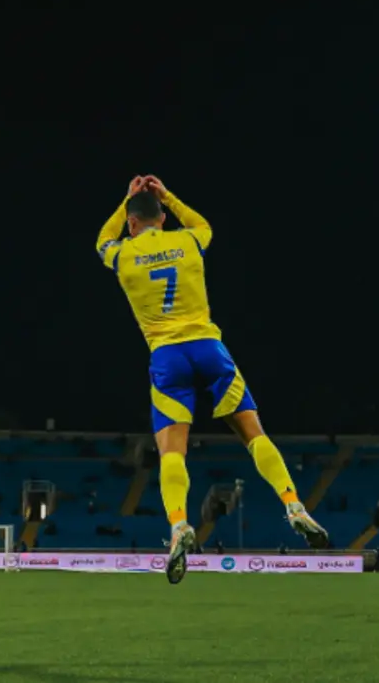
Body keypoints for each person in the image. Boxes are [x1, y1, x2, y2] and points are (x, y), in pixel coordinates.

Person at [94, 175, 327, 585]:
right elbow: (205, 226)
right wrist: (167, 195)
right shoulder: (187, 241)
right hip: (208, 347)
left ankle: (179, 525)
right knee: (254, 434)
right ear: (162, 216)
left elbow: (101, 242)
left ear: (131, 223)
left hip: (166, 356)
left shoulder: (124, 253)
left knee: (171, 453)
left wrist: (126, 199)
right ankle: (293, 504)